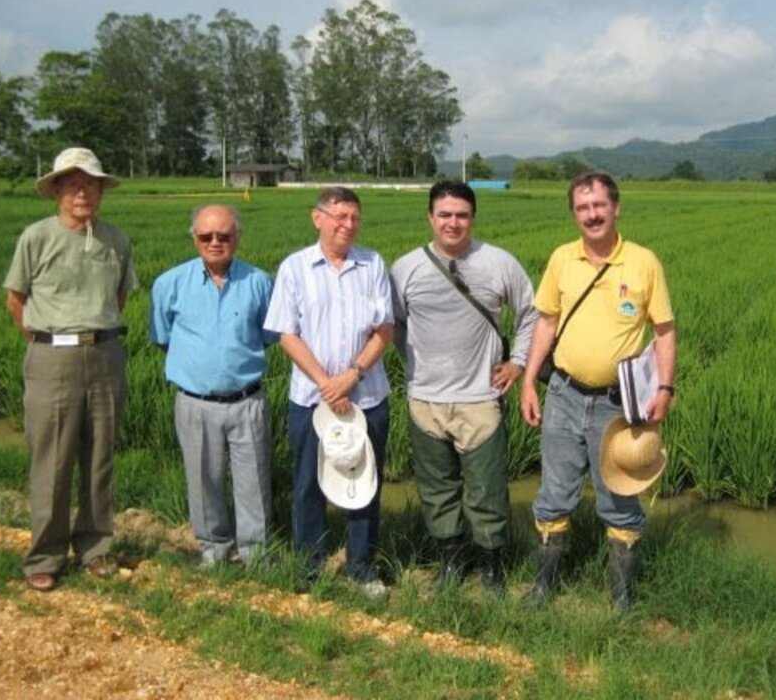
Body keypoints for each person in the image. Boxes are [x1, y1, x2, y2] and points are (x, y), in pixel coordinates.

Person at [519, 171, 676, 611]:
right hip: (564, 395)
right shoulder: (562, 259)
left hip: (618, 404)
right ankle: (543, 587)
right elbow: (545, 322)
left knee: (620, 496)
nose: (592, 215)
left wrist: (664, 387)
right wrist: (529, 380)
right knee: (554, 492)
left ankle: (621, 597)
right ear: (575, 214)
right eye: (583, 208)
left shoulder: (644, 263)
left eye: (599, 206)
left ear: (616, 207)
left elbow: (664, 331)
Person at [390, 181, 537, 593]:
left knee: (486, 490)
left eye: (461, 215)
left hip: (480, 400)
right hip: (425, 399)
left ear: (473, 218)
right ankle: (451, 564)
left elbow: (531, 313)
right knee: (437, 490)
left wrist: (518, 363)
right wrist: (416, 360)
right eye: (444, 215)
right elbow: (395, 324)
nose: (453, 222)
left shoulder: (498, 263)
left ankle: (492, 569)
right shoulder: (406, 268)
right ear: (430, 218)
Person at [4, 147, 137, 592]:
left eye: (92, 184)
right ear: (57, 189)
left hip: (105, 354)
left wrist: (91, 337)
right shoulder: (36, 237)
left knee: (100, 458)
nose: (83, 192)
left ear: (102, 190)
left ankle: (96, 548)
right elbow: (16, 301)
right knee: (53, 460)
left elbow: (119, 298)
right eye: (74, 183)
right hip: (51, 358)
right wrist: (50, 343)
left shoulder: (115, 240)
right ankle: (45, 555)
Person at [264, 187, 394, 598]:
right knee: (308, 484)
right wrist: (327, 382)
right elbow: (287, 333)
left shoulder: (372, 264)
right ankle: (310, 565)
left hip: (367, 395)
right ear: (316, 218)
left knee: (364, 483)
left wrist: (351, 376)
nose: (348, 224)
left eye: (354, 217)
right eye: (339, 216)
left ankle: (361, 566)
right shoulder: (295, 268)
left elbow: (384, 330)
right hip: (311, 398)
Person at [149, 205, 276, 568]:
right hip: (195, 401)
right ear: (195, 238)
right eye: (207, 236)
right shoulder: (169, 284)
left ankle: (256, 553)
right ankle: (214, 548)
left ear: (237, 238)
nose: (216, 243)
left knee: (253, 480)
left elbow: (268, 336)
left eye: (224, 236)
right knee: (202, 479)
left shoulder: (259, 282)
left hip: (246, 399)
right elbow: (162, 337)